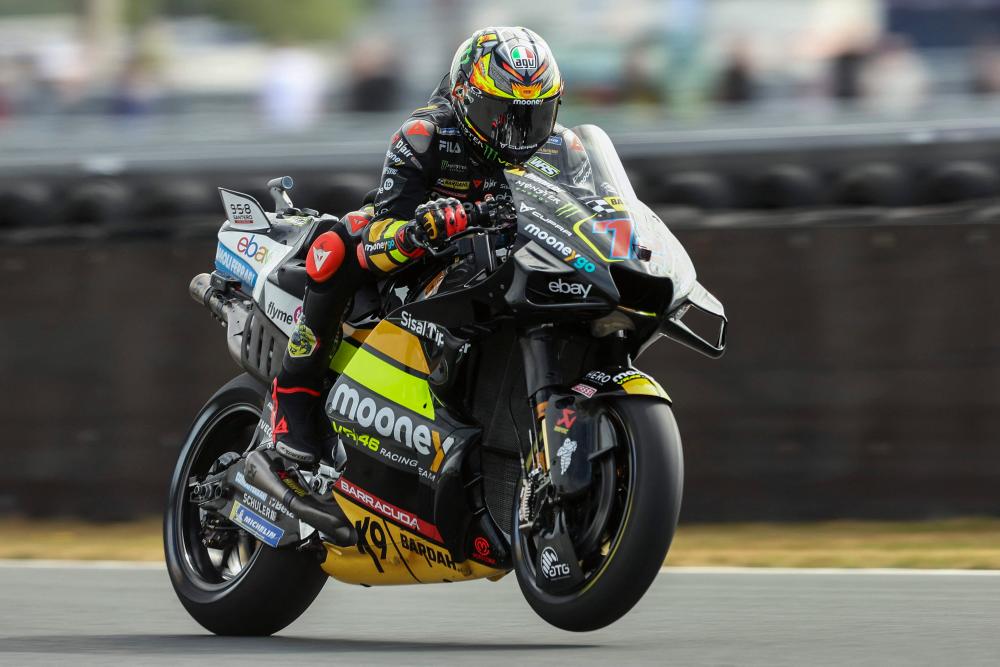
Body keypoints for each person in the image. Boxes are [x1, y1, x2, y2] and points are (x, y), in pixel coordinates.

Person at [269, 27, 591, 471]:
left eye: (533, 116)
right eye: (501, 114)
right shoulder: (425, 133)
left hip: (511, 263)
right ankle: (294, 393)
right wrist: (423, 230)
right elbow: (383, 221)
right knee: (337, 241)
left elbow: (591, 215)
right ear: (464, 96)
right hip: (417, 262)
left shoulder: (565, 149)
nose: (517, 135)